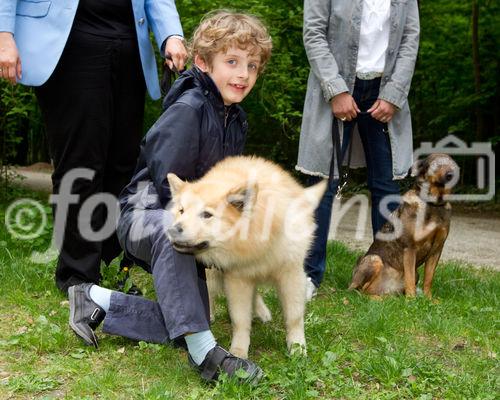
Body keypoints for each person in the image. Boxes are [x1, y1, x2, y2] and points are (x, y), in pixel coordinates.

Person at [67, 11, 272, 383]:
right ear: (201, 61)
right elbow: (169, 189)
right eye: (232, 62)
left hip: (189, 220)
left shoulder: (235, 120)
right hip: (145, 213)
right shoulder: (189, 109)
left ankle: (94, 301)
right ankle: (206, 355)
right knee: (176, 233)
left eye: (252, 66)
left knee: (186, 316)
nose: (243, 74)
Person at [0, 0, 188, 293]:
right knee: (80, 162)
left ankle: (112, 266)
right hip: (68, 44)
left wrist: (171, 35)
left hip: (129, 46)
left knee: (124, 164)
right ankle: (78, 277)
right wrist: (4, 33)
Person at [296, 0, 420, 298]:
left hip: (383, 90)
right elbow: (313, 33)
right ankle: (309, 277)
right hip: (336, 87)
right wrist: (335, 89)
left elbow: (410, 38)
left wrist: (394, 94)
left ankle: (388, 276)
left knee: (386, 183)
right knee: (323, 182)